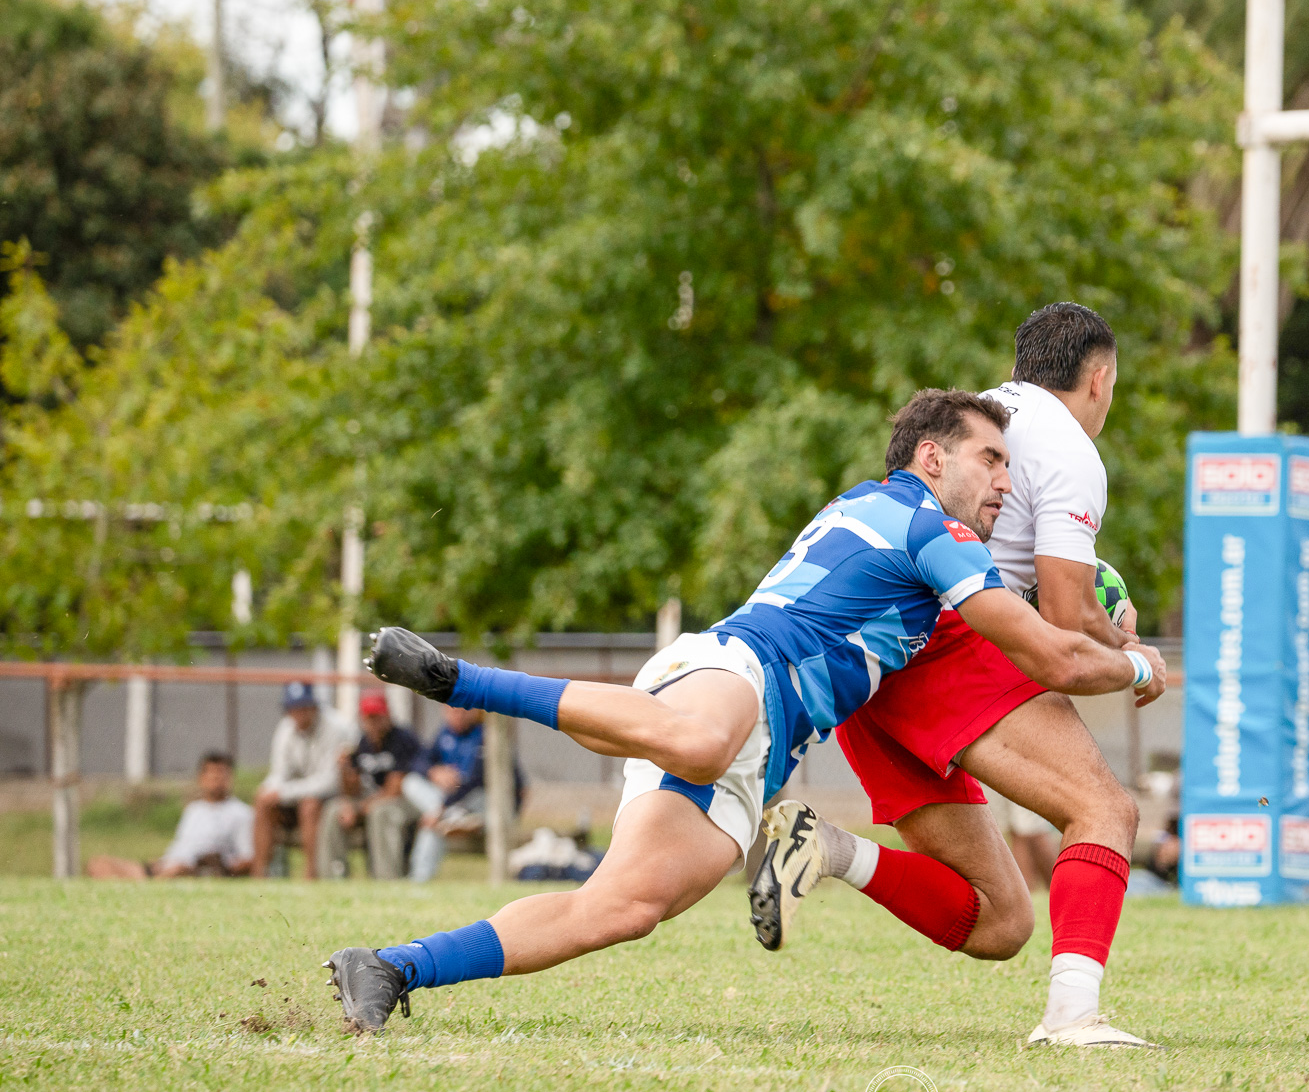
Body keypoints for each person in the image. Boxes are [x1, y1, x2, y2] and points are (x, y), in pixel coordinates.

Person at [323, 387, 1166, 1033]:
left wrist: (1092, 605)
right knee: (697, 740)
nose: (1007, 482)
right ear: (932, 458)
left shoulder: (907, 523)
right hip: (733, 670)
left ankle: (392, 967)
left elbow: (1020, 623)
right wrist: (1134, 662)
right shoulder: (922, 523)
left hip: (761, 751)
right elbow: (1045, 653)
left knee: (622, 908)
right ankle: (460, 681)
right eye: (991, 459)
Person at [775, 303, 1158, 1047]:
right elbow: (1067, 616)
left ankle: (827, 848)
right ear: (1100, 379)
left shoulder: (980, 419)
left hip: (874, 653)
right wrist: (1132, 653)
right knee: (1105, 809)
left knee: (1000, 920)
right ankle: (1072, 1018)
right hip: (944, 641)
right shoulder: (1073, 449)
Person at [402, 705, 521, 884]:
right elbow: (418, 762)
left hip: (481, 804)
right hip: (449, 803)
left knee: (436, 821)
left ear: (474, 712)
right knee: (411, 783)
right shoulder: (445, 733)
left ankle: (419, 878)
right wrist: (435, 772)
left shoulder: (486, 735)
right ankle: (448, 817)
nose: (457, 715)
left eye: (462, 710)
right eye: (452, 710)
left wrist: (442, 808)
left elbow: (473, 782)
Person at [87, 752, 253, 879]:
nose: (215, 779)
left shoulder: (241, 813)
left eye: (220, 774)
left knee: (177, 870)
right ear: (201, 778)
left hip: (193, 870)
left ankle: (146, 886)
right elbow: (181, 845)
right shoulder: (194, 810)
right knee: (99, 864)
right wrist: (161, 861)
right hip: (167, 865)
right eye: (210, 774)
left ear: (230, 777)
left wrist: (218, 866)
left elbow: (247, 859)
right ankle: (144, 882)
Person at [252, 682, 356, 879]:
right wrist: (269, 789)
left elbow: (330, 782)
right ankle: (259, 874)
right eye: (294, 709)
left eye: (304, 707)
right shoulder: (286, 728)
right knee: (263, 801)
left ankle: (311, 875)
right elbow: (279, 772)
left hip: (336, 797)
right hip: (298, 794)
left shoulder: (336, 728)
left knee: (309, 805)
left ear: (315, 707)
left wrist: (284, 792)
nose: (299, 714)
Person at [319, 693, 427, 880]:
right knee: (333, 810)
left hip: (407, 802)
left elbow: (396, 787)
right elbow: (353, 790)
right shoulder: (362, 743)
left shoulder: (402, 738)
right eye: (368, 718)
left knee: (380, 813)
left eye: (377, 717)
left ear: (387, 716)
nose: (373, 723)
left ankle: (386, 878)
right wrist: (345, 770)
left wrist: (361, 807)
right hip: (372, 800)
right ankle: (333, 876)